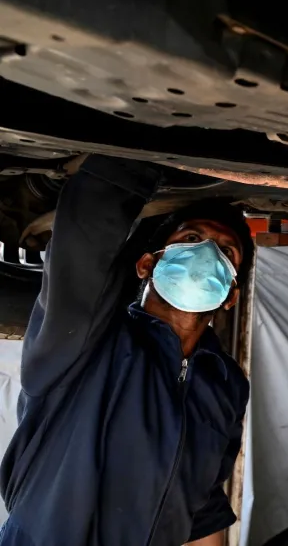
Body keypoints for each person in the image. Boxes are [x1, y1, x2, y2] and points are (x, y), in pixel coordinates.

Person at [0, 156, 254, 546]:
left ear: (231, 295)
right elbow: (81, 249)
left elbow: (201, 509)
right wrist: (134, 155)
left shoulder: (225, 383)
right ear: (147, 264)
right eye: (190, 239)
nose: (206, 254)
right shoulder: (86, 343)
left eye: (226, 251)